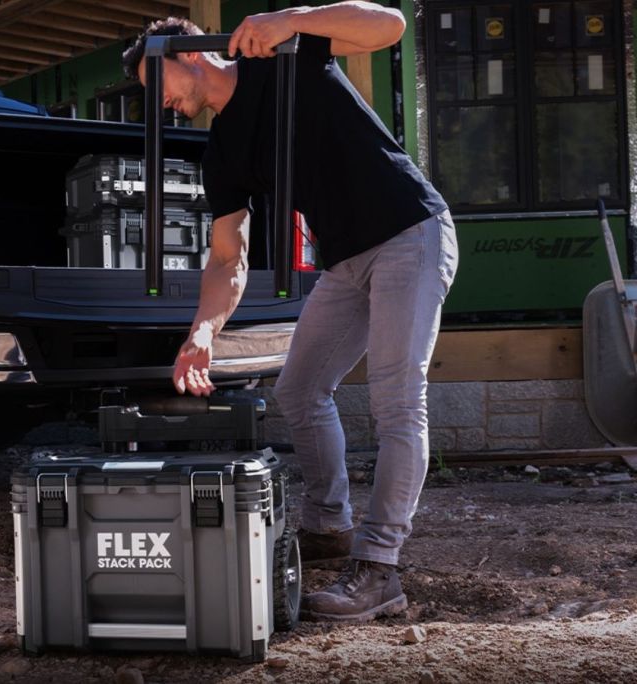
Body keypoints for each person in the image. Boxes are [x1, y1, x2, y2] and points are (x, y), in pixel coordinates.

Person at [122, 2, 458, 622]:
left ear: (190, 55)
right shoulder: (220, 150)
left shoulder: (284, 60)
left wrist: (296, 18)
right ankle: (330, 526)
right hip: (348, 260)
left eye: (157, 89)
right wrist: (202, 331)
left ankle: (379, 569)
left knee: (397, 399)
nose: (158, 107)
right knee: (299, 389)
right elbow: (228, 258)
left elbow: (390, 26)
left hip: (410, 231)